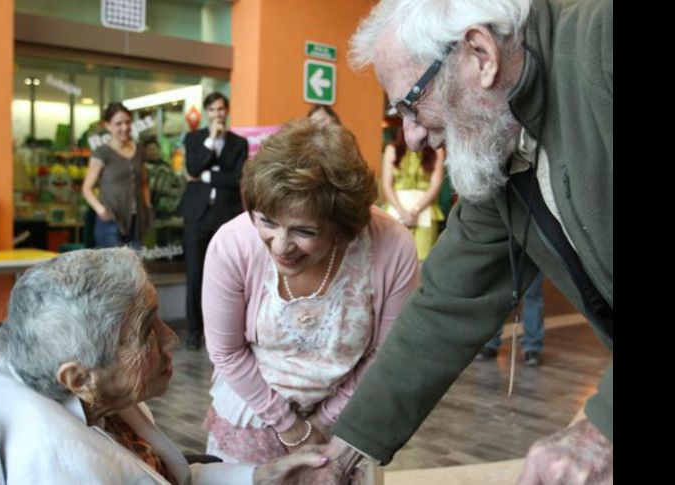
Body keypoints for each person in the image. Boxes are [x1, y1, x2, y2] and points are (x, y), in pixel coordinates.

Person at [297, 0, 613, 483]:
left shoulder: (603, 43)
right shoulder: (502, 147)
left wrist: (602, 430)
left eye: (412, 104)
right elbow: (446, 304)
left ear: (480, 55)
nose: (413, 137)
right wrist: (339, 459)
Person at [0, 248, 330, 485]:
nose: (171, 338)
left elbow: (170, 476)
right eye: (147, 331)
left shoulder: (78, 392)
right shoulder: (67, 470)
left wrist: (262, 476)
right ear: (79, 378)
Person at [200, 118, 419, 465]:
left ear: (344, 226)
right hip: (254, 413)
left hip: (349, 419)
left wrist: (324, 421)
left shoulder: (392, 247)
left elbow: (384, 355)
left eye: (303, 230)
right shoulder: (233, 244)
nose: (281, 246)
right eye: (267, 221)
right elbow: (226, 352)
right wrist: (291, 427)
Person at [176, 92, 248, 350]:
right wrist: (211, 142)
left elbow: (237, 178)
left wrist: (207, 177)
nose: (218, 114)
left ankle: (221, 331)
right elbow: (193, 168)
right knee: (195, 273)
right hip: (197, 214)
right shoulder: (195, 139)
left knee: (226, 274)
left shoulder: (238, 143)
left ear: (226, 112)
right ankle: (194, 332)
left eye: (222, 109)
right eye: (213, 109)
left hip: (225, 215)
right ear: (206, 112)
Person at [82, 102, 154, 249]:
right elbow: (87, 188)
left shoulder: (139, 150)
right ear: (108, 126)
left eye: (128, 122)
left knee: (135, 267)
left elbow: (144, 182)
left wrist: (148, 206)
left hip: (137, 221)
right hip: (111, 220)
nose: (124, 128)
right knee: (112, 269)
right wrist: (101, 210)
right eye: (118, 123)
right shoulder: (102, 153)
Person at [381, 127, 446, 270]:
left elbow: (435, 186)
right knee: (391, 261)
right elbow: (386, 184)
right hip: (395, 212)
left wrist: (415, 211)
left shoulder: (437, 150)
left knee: (421, 262)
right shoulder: (392, 149)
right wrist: (402, 212)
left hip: (424, 213)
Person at [477, 271, 546, 366]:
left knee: (533, 293)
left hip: (535, 257)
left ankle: (532, 347)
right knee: (497, 291)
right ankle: (490, 342)